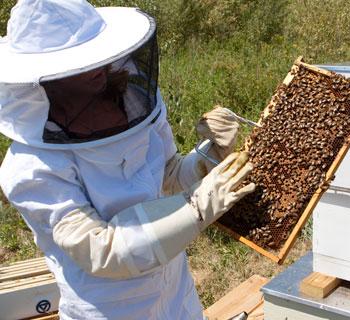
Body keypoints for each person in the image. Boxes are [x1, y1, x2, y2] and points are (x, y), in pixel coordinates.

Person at [0, 0, 255, 319]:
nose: (95, 68)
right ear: (42, 77)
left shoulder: (135, 102)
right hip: (110, 310)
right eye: (77, 62)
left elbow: (171, 174)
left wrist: (211, 153)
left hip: (176, 295)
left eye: (95, 53)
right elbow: (100, 250)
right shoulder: (32, 167)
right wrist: (196, 207)